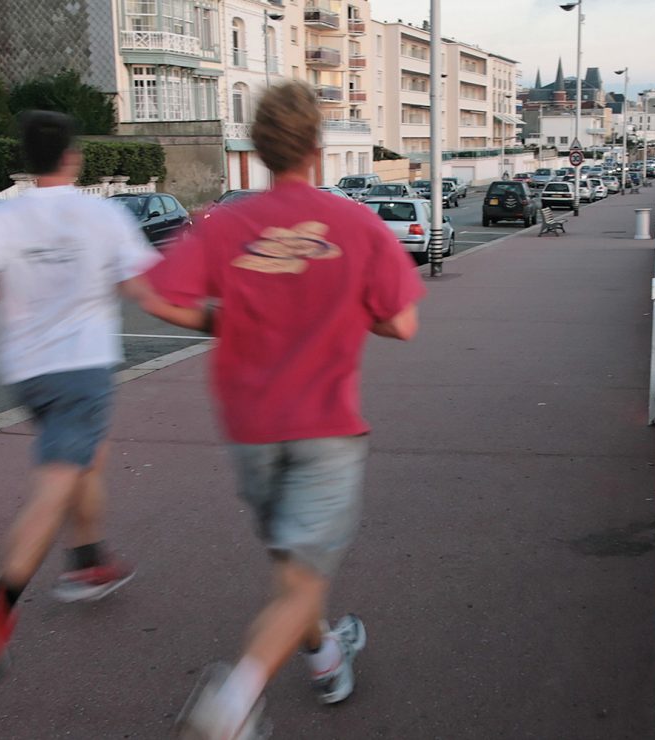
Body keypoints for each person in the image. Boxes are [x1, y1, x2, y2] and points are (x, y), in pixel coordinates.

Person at [143, 81, 426, 739]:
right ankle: (233, 702)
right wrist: (348, 309)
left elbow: (160, 299)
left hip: (248, 427)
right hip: (325, 425)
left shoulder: (227, 225)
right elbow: (403, 323)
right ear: (317, 148)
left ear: (261, 149)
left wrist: (226, 320)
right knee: (302, 575)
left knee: (294, 564)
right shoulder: (356, 224)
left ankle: (326, 657)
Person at [0, 111, 189, 686]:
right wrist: (203, 314)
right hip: (79, 366)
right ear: (73, 157)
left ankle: (89, 560)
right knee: (58, 478)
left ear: (25, 161)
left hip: (24, 369)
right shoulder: (98, 213)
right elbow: (140, 287)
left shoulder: (4, 213)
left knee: (86, 457)